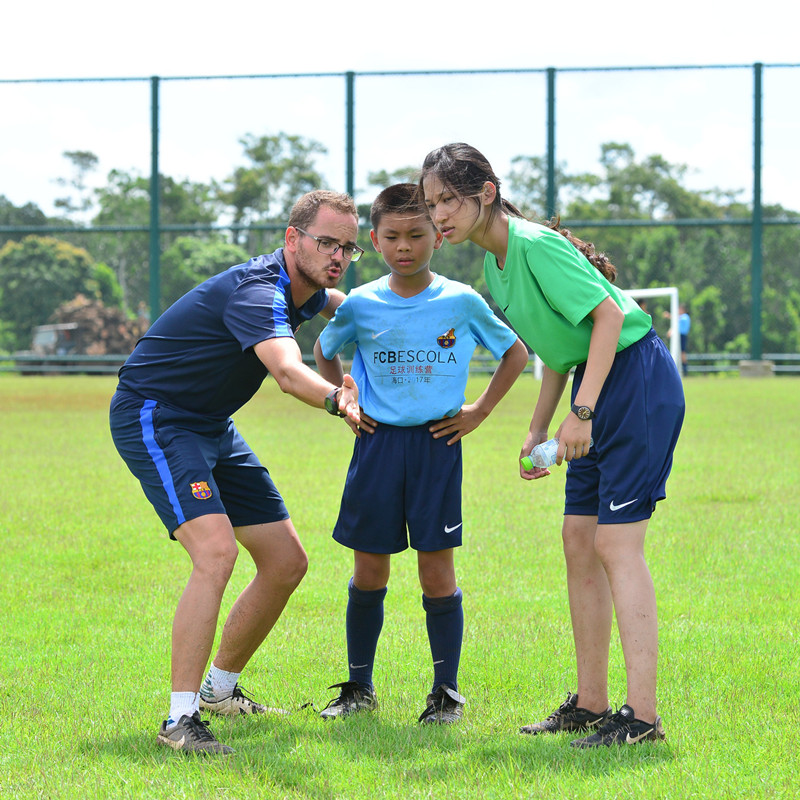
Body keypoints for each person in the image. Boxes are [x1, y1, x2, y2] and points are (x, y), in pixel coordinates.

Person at [420, 144, 685, 748]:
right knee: (577, 540)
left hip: (633, 379)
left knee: (617, 543)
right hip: (594, 383)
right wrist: (540, 427)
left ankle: (642, 720)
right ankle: (590, 704)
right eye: (431, 203)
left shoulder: (535, 245)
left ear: (485, 191)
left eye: (447, 200)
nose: (438, 215)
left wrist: (583, 412)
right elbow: (555, 353)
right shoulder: (494, 269)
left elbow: (609, 320)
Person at [109, 190, 364, 755]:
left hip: (211, 424)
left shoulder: (311, 286)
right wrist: (341, 401)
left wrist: (412, 312)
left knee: (285, 561)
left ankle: (220, 691)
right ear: (293, 239)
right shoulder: (258, 292)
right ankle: (180, 721)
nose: (338, 256)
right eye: (327, 243)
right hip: (157, 415)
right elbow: (289, 372)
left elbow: (351, 307)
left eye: (348, 247)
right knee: (216, 553)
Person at [313, 184, 529, 724]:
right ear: (375, 240)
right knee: (370, 573)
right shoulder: (361, 304)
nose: (404, 246)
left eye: (416, 234)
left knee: (437, 572)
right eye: (392, 237)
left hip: (437, 446)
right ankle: (359, 687)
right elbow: (323, 350)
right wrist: (346, 398)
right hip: (377, 446)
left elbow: (515, 353)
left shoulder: (460, 300)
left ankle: (445, 692)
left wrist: (477, 411)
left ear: (438, 234)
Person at [664, 304, 691, 376]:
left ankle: (685, 370)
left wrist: (669, 315)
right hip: (678, 336)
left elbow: (677, 319)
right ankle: (677, 369)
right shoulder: (681, 318)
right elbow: (676, 325)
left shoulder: (685, 316)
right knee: (677, 352)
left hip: (682, 336)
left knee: (682, 352)